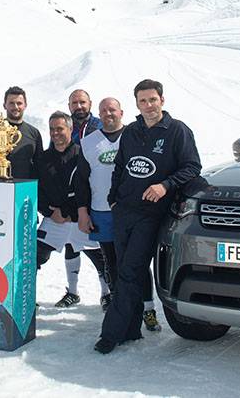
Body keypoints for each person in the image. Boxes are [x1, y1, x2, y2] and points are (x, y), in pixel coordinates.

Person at [96, 79, 201, 354]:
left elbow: (192, 167)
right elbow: (120, 165)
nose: (148, 106)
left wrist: (165, 185)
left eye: (152, 100)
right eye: (142, 101)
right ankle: (130, 330)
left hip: (152, 215)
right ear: (137, 104)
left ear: (162, 100)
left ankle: (111, 334)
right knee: (124, 271)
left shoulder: (177, 131)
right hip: (124, 211)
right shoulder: (131, 131)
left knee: (131, 270)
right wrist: (114, 198)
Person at [82, 98, 160, 328]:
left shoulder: (135, 135)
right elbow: (81, 180)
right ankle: (120, 308)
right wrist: (83, 211)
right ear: (99, 114)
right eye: (104, 110)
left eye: (112, 109)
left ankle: (148, 309)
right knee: (112, 262)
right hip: (101, 211)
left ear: (121, 112)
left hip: (132, 211)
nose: (108, 113)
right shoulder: (89, 142)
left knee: (138, 262)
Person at [36, 111, 109, 309]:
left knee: (101, 259)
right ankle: (26, 299)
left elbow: (88, 187)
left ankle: (107, 294)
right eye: (52, 129)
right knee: (33, 257)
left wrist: (75, 212)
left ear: (70, 129)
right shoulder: (42, 158)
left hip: (80, 218)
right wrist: (50, 213)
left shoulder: (82, 154)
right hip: (54, 220)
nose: (55, 133)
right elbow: (37, 190)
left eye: (60, 128)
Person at [62, 89, 103, 304]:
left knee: (97, 245)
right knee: (71, 243)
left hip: (96, 194)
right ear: (69, 106)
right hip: (71, 196)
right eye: (74, 103)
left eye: (82, 102)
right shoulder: (64, 128)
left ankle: (107, 293)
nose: (79, 106)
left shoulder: (100, 126)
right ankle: (73, 291)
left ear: (90, 103)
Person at [0, 86, 43, 179]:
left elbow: (39, 164)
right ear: (4, 105)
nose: (16, 107)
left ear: (25, 105)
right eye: (11, 103)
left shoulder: (34, 133)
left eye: (19, 103)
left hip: (25, 188)